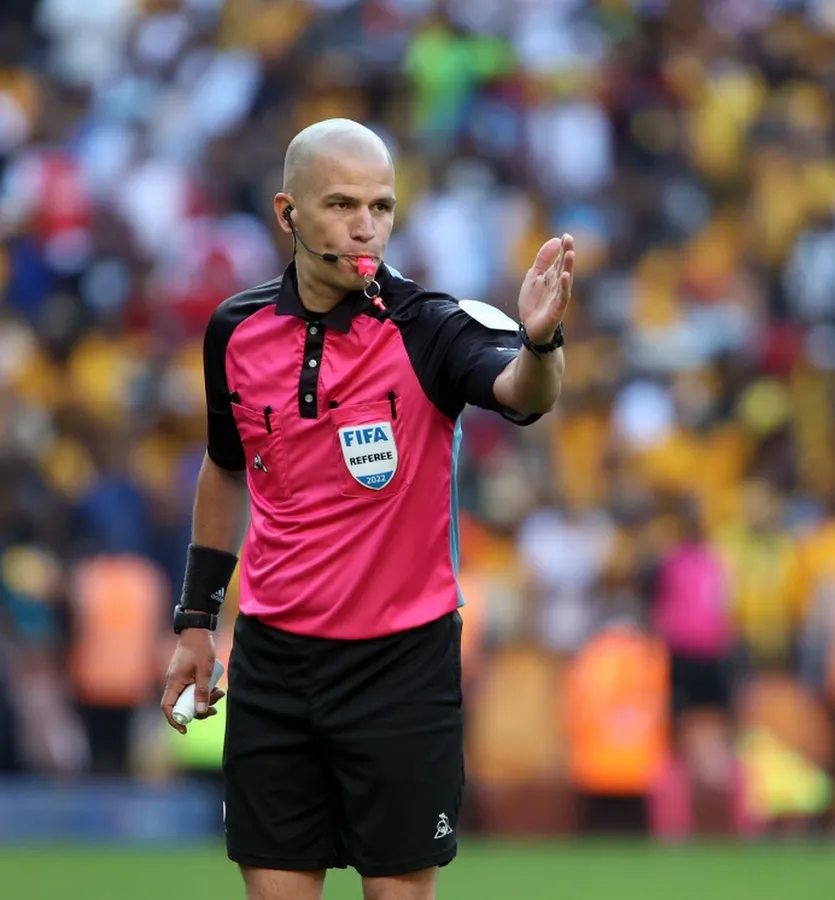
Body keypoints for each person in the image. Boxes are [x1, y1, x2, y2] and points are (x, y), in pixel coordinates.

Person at [160, 118, 573, 900]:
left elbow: (521, 393)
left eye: (381, 206)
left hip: (401, 666)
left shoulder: (430, 327)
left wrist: (542, 344)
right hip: (275, 663)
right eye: (342, 204)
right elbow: (226, 468)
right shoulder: (235, 330)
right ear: (288, 213)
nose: (365, 226)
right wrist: (195, 622)